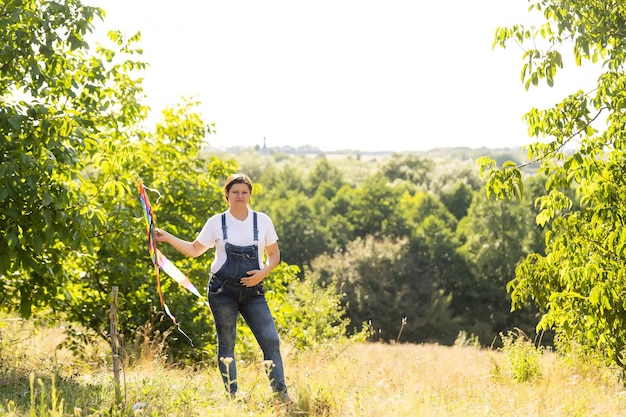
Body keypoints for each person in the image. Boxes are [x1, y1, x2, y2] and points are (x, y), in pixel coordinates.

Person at [155, 173, 288, 399]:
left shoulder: (262, 221)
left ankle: (280, 393)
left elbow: (274, 255)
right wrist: (167, 237)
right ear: (227, 194)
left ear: (250, 195)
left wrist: (263, 273)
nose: (240, 196)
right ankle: (232, 395)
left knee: (271, 339)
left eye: (244, 192)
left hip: (254, 292)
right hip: (221, 291)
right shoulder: (217, 222)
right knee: (227, 342)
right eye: (235, 192)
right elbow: (195, 250)